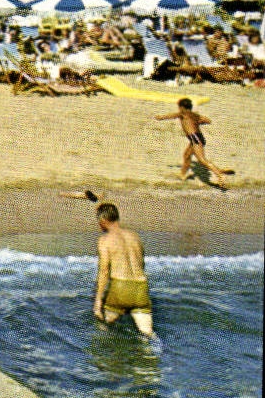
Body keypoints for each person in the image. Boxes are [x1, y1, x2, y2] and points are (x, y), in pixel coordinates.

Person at [94, 202, 154, 336]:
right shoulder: (135, 237)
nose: (99, 226)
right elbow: (141, 264)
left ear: (103, 221)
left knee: (104, 326)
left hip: (119, 286)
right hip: (141, 286)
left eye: (99, 222)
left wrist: (98, 301)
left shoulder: (105, 240)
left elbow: (104, 272)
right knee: (148, 334)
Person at [155, 98, 234, 180]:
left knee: (202, 160)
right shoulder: (194, 115)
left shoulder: (183, 113)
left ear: (182, 107)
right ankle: (183, 175)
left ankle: (220, 175)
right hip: (197, 137)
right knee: (187, 155)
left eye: (179, 107)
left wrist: (161, 117)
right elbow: (208, 121)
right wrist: (195, 122)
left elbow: (172, 116)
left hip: (195, 139)